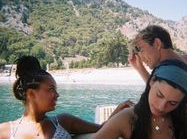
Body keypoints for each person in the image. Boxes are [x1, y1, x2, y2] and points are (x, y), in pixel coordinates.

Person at [0, 56, 133, 139]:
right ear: (31, 94)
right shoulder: (5, 131)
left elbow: (102, 129)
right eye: (51, 89)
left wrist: (119, 111)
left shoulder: (63, 121)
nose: (57, 95)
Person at [128, 25, 187, 128]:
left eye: (141, 50)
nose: (141, 57)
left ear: (157, 44)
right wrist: (140, 68)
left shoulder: (174, 70)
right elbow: (161, 90)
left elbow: (159, 102)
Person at [92, 59, 187, 139]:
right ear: (152, 81)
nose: (161, 106)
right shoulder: (126, 118)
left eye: (172, 103)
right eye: (159, 95)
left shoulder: (186, 124)